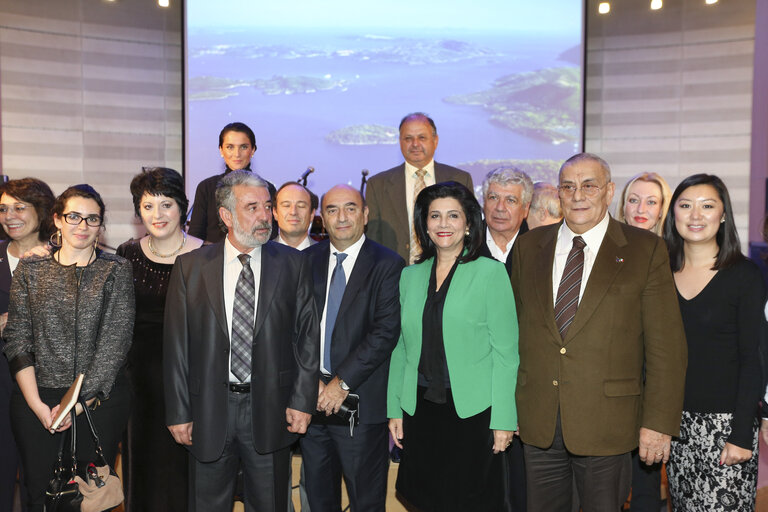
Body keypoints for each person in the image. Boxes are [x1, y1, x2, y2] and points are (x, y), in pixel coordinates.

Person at [509, 153, 688, 511]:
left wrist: (657, 423)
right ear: (558, 194)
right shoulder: (529, 246)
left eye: (589, 186)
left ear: (608, 192)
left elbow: (666, 347)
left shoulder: (645, 249)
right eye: (568, 187)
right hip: (538, 421)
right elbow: (511, 332)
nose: (578, 195)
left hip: (608, 424)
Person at [163, 169, 319, 512]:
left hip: (272, 409)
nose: (265, 216)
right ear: (225, 215)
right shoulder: (190, 267)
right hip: (207, 410)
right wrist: (178, 411)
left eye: (267, 206)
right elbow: (176, 347)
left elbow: (308, 339)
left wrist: (303, 400)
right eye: (253, 207)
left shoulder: (293, 265)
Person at [387, 181, 518, 512]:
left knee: (470, 501)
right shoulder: (410, 277)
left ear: (469, 223)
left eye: (453, 216)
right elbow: (401, 348)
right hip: (420, 411)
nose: (443, 224)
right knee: (426, 498)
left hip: (473, 415)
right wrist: (395, 409)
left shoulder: (491, 274)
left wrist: (504, 418)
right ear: (424, 224)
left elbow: (506, 355)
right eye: (434, 216)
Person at [3, 184, 135, 512]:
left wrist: (72, 409)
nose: (82, 225)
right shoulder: (30, 271)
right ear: (58, 219)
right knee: (38, 496)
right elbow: (18, 337)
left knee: (88, 500)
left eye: (92, 219)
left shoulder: (116, 270)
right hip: (36, 401)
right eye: (74, 216)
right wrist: (37, 405)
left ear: (100, 226)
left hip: (97, 403)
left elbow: (113, 346)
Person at [663, 174, 764, 511]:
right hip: (676, 427)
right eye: (686, 205)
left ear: (723, 216)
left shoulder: (744, 275)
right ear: (673, 213)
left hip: (726, 427)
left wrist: (739, 434)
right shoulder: (659, 274)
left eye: (707, 206)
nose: (695, 215)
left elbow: (754, 360)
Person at [301, 185, 404, 511]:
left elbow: (385, 332)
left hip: (361, 407)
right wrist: (312, 382)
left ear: (365, 214)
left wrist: (340, 383)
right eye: (332, 210)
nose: (341, 217)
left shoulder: (388, 264)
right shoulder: (305, 260)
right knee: (319, 500)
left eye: (350, 208)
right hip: (312, 403)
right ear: (322, 218)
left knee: (366, 502)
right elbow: (292, 329)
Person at [117, 168, 203, 512]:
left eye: (166, 205)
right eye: (148, 206)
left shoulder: (208, 254)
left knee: (188, 474)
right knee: (144, 471)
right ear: (139, 211)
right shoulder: (126, 255)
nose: (157, 215)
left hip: (192, 380)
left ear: (182, 207)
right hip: (140, 385)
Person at [615, 171, 673, 512]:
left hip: (657, 385)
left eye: (651, 202)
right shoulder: (608, 251)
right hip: (616, 384)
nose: (641, 208)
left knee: (646, 482)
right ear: (622, 205)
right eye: (633, 200)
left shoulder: (673, 256)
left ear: (663, 209)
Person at [0, 178, 55, 512]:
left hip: (46, 384)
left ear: (42, 210)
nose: (9, 216)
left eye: (20, 207)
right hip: (0, 384)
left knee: (43, 482)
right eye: (4, 208)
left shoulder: (61, 259)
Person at [366, 112, 474, 264]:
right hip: (395, 277)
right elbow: (372, 241)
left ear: (435, 141)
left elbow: (471, 232)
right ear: (400, 142)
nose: (415, 144)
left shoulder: (460, 179)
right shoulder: (377, 185)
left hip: (451, 273)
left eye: (422, 138)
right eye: (408, 138)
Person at [189, 122, 276, 244]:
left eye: (244, 147)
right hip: (213, 259)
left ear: (253, 150)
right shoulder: (206, 187)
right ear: (221, 150)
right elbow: (195, 237)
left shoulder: (266, 188)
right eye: (230, 147)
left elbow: (272, 235)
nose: (237, 154)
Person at [479, 166, 532, 276]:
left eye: (510, 200)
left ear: (525, 209)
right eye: (493, 197)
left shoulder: (539, 250)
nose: (500, 207)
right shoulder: (464, 246)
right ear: (484, 203)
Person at [274, 181, 318, 250]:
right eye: (286, 205)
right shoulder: (260, 255)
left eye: (301, 206)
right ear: (275, 212)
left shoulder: (327, 257)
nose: (293, 212)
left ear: (312, 214)